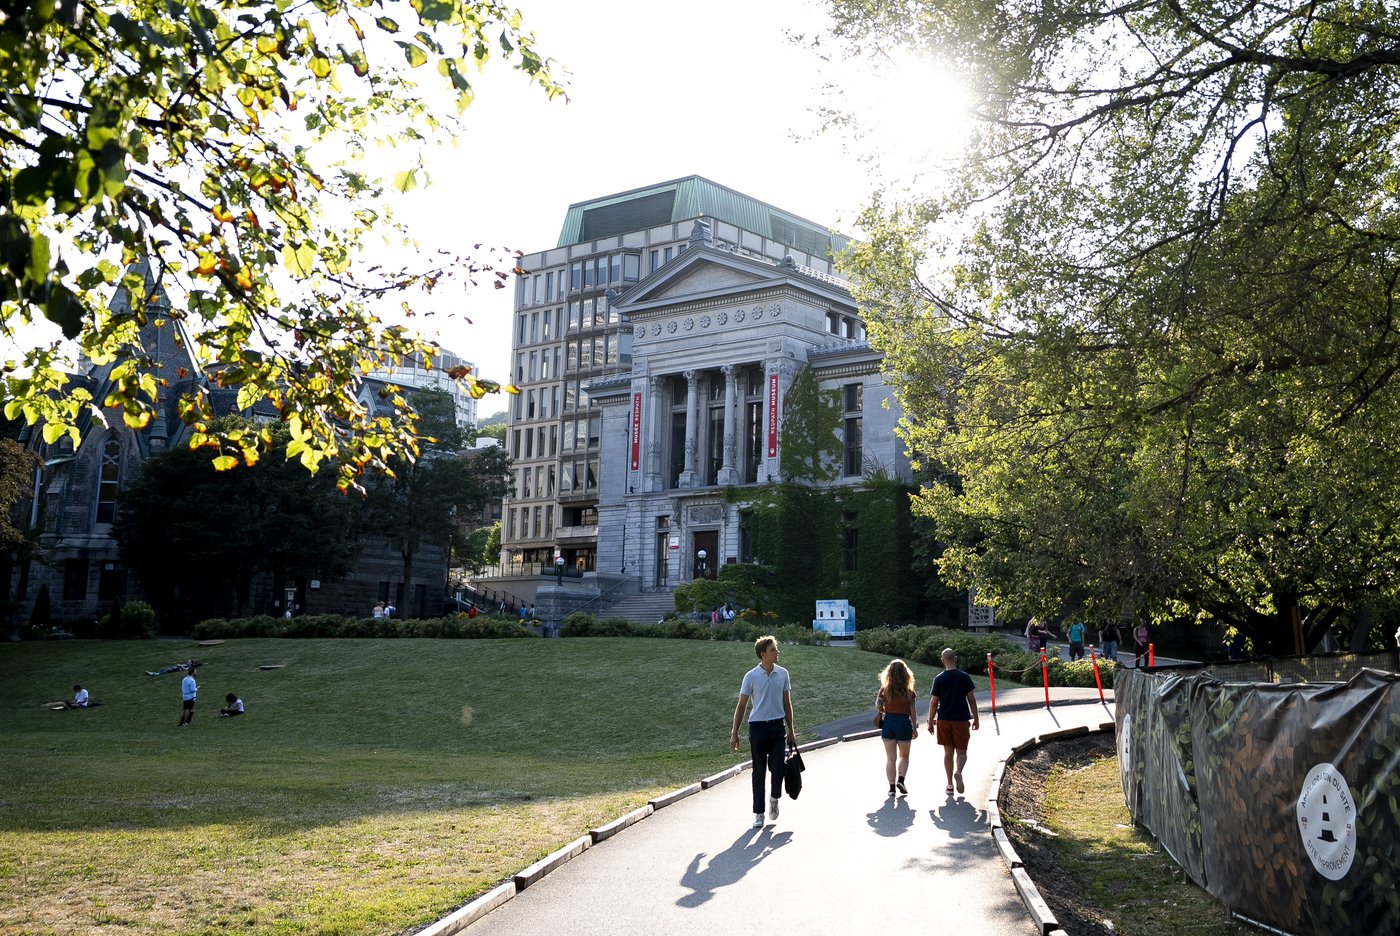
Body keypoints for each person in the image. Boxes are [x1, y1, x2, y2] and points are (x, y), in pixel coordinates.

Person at [730, 635, 797, 829]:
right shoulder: (750, 676)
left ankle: (774, 798)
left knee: (778, 768)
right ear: (763, 654)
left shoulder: (783, 674)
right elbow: (742, 705)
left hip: (777, 728)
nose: (777, 652)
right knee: (758, 771)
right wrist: (734, 732)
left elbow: (787, 703)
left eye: (776, 649)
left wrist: (791, 730)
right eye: (773, 650)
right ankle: (758, 813)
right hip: (757, 728)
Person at [927, 648, 980, 796]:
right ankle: (959, 771)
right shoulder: (964, 677)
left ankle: (949, 784)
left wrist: (930, 722)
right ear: (955, 658)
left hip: (944, 719)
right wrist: (976, 718)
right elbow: (972, 699)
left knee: (948, 752)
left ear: (942, 660)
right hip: (961, 719)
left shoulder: (939, 679)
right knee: (962, 752)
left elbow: (933, 702)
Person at [876, 659, 918, 795]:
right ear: (906, 674)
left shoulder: (884, 689)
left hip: (888, 722)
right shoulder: (909, 691)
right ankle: (901, 780)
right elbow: (913, 711)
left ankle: (892, 788)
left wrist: (883, 706)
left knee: (890, 758)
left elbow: (878, 706)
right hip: (903, 723)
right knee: (904, 756)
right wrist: (914, 727)